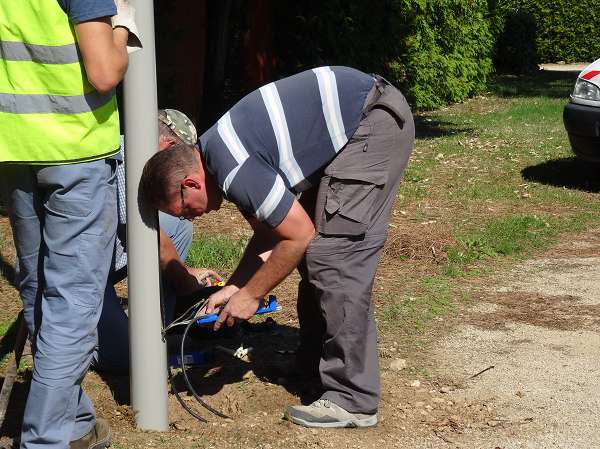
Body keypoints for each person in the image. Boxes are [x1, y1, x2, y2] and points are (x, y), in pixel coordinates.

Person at [140, 66, 415, 428]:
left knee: (334, 259)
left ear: (191, 184)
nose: (191, 219)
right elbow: (270, 235)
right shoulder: (215, 157)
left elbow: (297, 235)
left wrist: (251, 295)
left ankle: (353, 399)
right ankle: (315, 368)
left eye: (183, 211)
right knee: (317, 258)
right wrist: (235, 286)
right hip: (357, 123)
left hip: (371, 123)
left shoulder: (234, 167)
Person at [0, 1, 139, 448]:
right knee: (73, 305)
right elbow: (103, 72)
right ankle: (46, 440)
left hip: (16, 147)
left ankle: (74, 421)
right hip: (74, 150)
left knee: (39, 290)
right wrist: (123, 29)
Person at [92, 109, 220, 374]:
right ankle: (87, 348)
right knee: (132, 361)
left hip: (105, 255)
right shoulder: (129, 159)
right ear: (170, 146)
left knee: (179, 224)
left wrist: (185, 274)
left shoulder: (141, 157)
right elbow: (152, 238)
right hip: (85, 273)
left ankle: (159, 326)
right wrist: (186, 282)